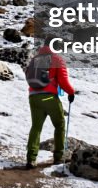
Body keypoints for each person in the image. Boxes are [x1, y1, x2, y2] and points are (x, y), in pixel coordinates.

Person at [25, 36, 76, 168]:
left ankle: (31, 159)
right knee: (59, 124)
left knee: (36, 127)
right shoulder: (57, 59)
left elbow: (27, 75)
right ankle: (58, 157)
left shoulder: (35, 59)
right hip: (49, 97)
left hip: (33, 97)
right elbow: (63, 81)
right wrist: (71, 92)